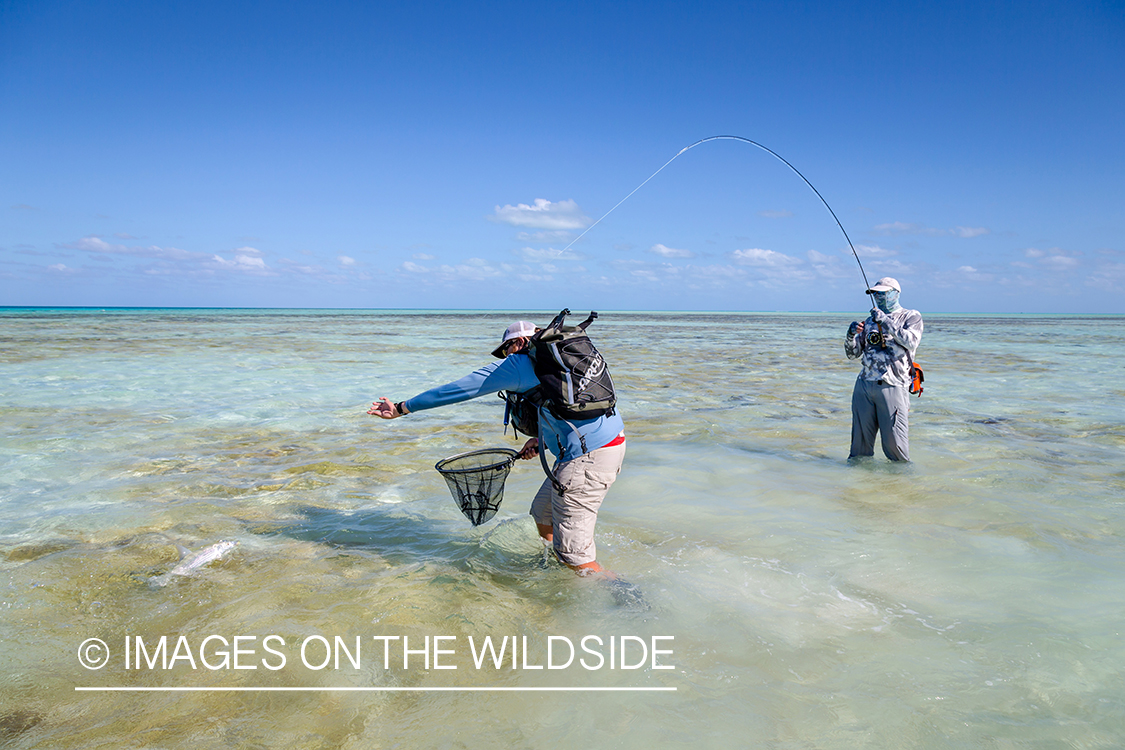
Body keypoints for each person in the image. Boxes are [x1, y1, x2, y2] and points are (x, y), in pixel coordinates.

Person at [368, 320, 627, 575]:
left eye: (506, 349)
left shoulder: (518, 364)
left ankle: (623, 595)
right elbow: (574, 412)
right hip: (606, 445)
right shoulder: (560, 363)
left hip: (586, 459)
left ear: (520, 342)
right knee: (542, 513)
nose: (506, 356)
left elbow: (456, 390)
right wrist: (542, 440)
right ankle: (550, 568)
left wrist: (402, 408)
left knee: (574, 557)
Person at [844, 277, 923, 461]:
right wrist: (850, 335)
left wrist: (886, 321)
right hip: (864, 385)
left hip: (894, 385)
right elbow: (852, 354)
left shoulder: (911, 316)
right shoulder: (869, 321)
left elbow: (911, 342)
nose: (878, 297)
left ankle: (902, 485)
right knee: (858, 450)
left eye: (883, 293)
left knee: (897, 449)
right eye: (875, 293)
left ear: (896, 293)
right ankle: (858, 484)